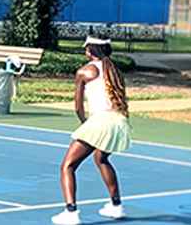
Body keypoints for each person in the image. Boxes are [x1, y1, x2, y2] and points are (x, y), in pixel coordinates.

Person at [51, 34, 132, 225]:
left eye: (86, 48)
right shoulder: (115, 71)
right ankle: (116, 207)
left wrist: (84, 123)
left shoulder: (84, 72)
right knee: (101, 158)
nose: (85, 51)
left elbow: (78, 107)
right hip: (120, 122)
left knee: (68, 166)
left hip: (100, 121)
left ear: (91, 50)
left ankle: (71, 213)